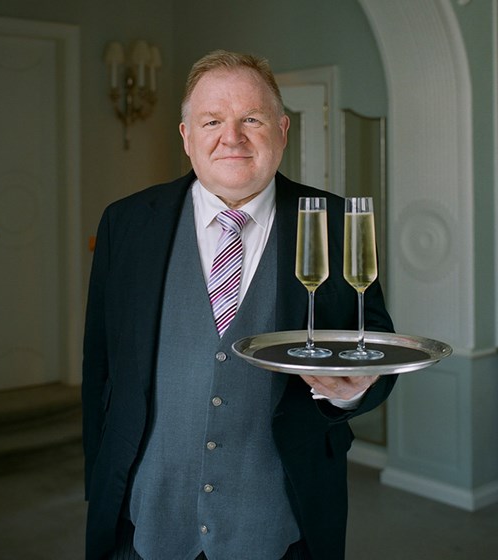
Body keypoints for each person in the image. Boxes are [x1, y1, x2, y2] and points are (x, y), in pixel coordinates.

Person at [82, 50, 396, 560]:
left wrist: (346, 395)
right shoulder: (126, 223)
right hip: (145, 519)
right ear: (186, 136)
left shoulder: (337, 222)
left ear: (282, 129)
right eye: (211, 121)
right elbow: (100, 371)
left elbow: (373, 340)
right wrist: (100, 486)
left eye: (251, 118)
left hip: (284, 521)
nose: (232, 137)